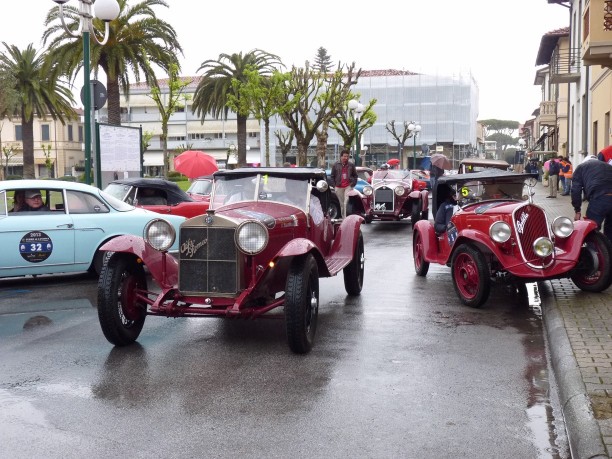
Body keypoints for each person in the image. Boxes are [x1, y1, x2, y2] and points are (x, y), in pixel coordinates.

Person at [571, 155, 612, 242]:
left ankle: (593, 253)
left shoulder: (581, 167)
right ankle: (608, 252)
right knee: (610, 232)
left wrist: (577, 210)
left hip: (599, 199)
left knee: (591, 230)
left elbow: (575, 190)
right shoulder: (608, 166)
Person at [330, 149, 357, 218]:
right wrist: (334, 186)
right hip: (338, 187)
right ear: (341, 157)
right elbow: (332, 176)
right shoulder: (335, 165)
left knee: (346, 203)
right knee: (341, 204)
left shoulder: (351, 165)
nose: (346, 158)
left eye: (347, 156)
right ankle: (343, 218)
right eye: (344, 156)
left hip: (348, 186)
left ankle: (346, 218)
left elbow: (355, 175)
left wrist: (353, 184)